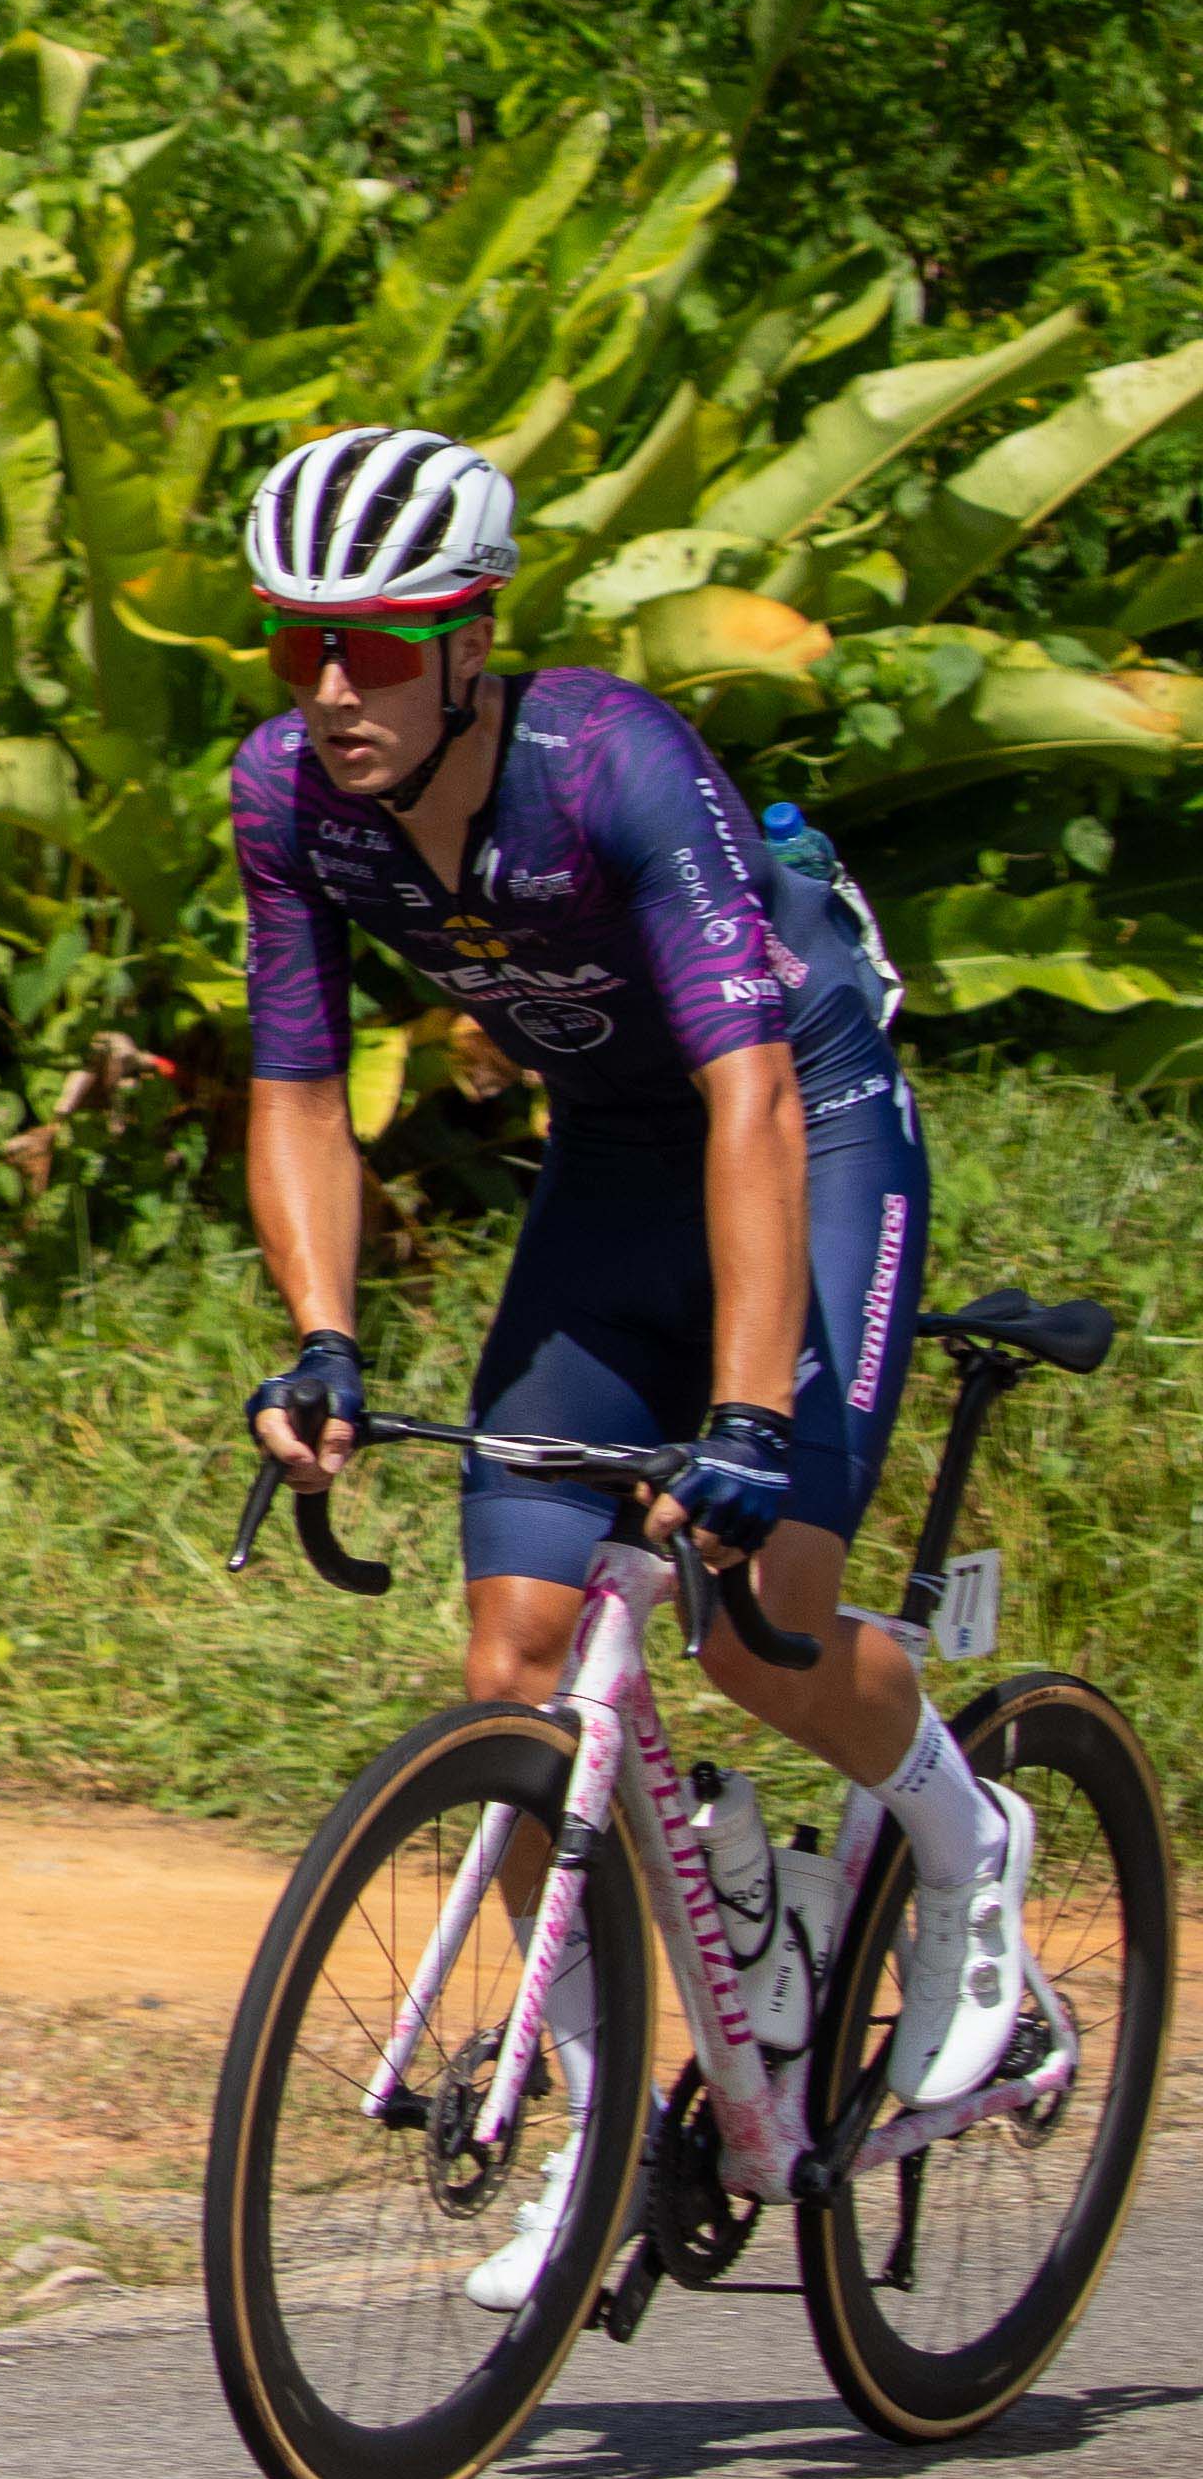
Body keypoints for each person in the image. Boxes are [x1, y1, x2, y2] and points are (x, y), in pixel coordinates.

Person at [226, 423, 1026, 2303]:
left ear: (476, 642)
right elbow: (293, 1085)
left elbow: (751, 1094)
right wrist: (323, 1340)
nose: (335, 688)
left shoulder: (615, 771)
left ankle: (960, 1831)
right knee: (516, 1667)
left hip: (806, 1132)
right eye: (297, 645)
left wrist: (750, 1417)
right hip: (611, 1162)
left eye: (383, 646)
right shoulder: (290, 802)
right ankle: (589, 2130)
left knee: (760, 1626)